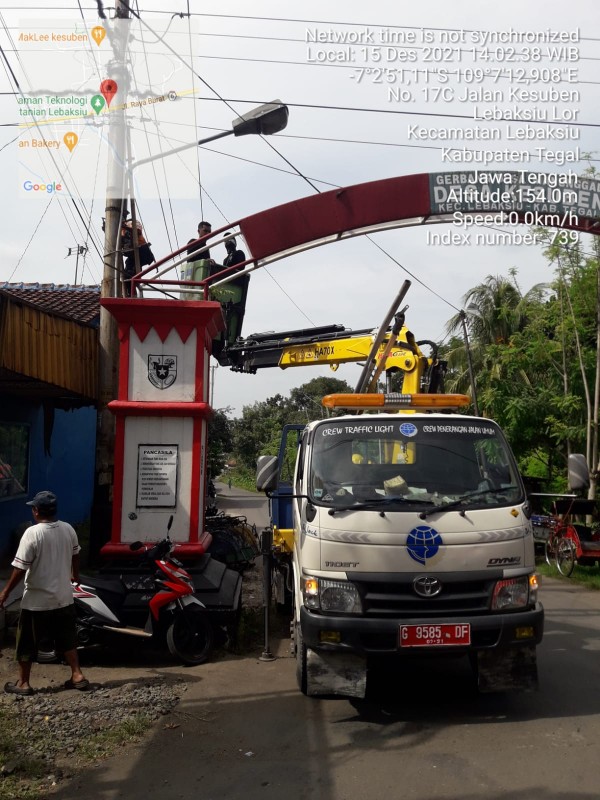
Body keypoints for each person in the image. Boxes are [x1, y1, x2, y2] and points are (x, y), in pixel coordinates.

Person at [0, 490, 89, 695]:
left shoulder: (32, 533)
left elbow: (20, 568)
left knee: (26, 641)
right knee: (68, 638)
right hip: (63, 598)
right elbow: (76, 554)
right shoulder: (68, 529)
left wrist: (5, 593)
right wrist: (75, 575)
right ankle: (77, 675)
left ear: (36, 510)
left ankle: (23, 683)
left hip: (36, 601)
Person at [121, 217, 155, 297]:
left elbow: (137, 230)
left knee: (130, 275)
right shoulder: (121, 230)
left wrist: (126, 227)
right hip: (134, 254)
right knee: (127, 276)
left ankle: (132, 294)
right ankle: (130, 293)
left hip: (142, 251)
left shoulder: (130, 223)